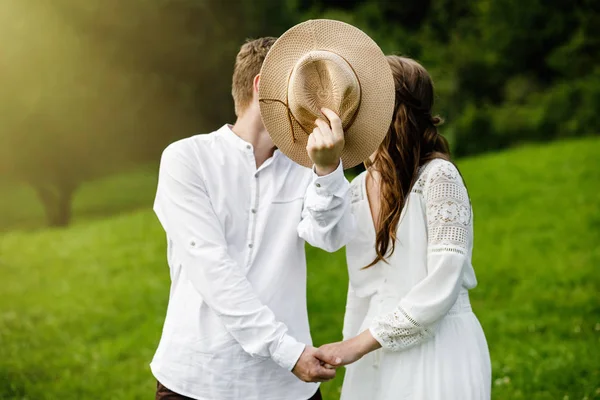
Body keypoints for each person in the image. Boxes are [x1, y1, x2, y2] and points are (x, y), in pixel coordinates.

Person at [150, 36, 356, 400]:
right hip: (197, 380)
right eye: (302, 86)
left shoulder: (308, 164)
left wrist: (327, 171)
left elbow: (331, 237)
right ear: (263, 86)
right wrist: (287, 351)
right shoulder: (186, 158)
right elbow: (211, 267)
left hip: (285, 389)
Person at [319, 55, 492, 399]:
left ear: (387, 110)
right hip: (373, 356)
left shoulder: (438, 177)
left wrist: (359, 343)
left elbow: (441, 285)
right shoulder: (355, 190)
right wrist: (351, 350)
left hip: (438, 351)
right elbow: (343, 262)